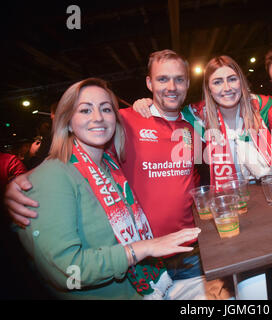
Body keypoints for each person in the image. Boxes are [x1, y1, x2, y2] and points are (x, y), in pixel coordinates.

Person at [4, 50, 233, 299]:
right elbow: (69, 155)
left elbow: (197, 175)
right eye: (162, 79)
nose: (171, 87)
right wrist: (21, 181)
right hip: (141, 262)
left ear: (188, 83)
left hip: (190, 254)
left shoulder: (193, 125)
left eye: (179, 79)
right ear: (149, 83)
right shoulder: (123, 121)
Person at [133, 55, 272, 190]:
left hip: (271, 195)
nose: (227, 88)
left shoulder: (263, 107)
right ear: (209, 88)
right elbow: (165, 111)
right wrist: (145, 104)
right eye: (217, 82)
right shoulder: (196, 117)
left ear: (241, 82)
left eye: (232, 79)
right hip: (228, 202)